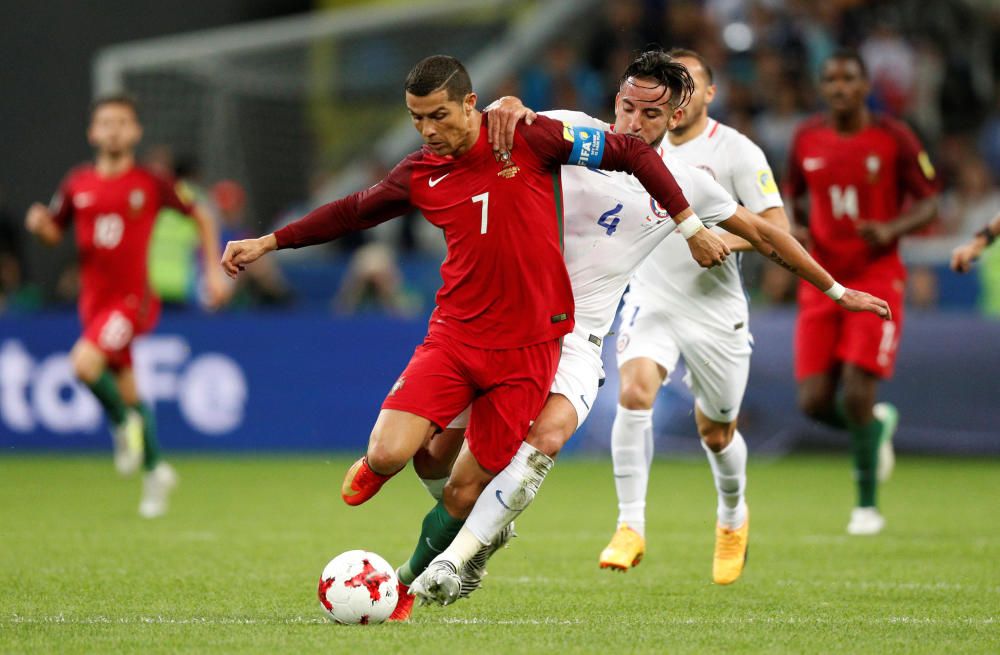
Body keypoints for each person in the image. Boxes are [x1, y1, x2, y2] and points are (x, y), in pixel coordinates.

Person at [220, 54, 730, 621]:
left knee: (466, 492)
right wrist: (270, 241)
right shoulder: (422, 171)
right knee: (398, 454)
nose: (428, 131)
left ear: (470, 105)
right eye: (417, 120)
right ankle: (405, 481)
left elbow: (632, 152)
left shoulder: (529, 138)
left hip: (533, 348)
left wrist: (690, 227)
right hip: (457, 335)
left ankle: (409, 585)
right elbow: (354, 211)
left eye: (438, 116)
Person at [405, 49, 891, 609]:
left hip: (581, 341)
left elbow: (764, 234)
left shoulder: (687, 184)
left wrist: (835, 290)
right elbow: (490, 121)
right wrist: (507, 105)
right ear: (616, 100)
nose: (633, 123)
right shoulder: (575, 134)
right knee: (434, 457)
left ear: (677, 115)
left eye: (650, 115)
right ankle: (487, 529)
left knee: (555, 439)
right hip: (505, 327)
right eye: (627, 107)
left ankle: (457, 559)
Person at [597, 47, 791, 584]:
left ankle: (732, 516)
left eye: (693, 83)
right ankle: (629, 525)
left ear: (699, 96)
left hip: (713, 305)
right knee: (634, 393)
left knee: (716, 430)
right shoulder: (625, 141)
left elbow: (776, 226)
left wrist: (706, 235)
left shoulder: (734, 151)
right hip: (650, 295)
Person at [24, 94, 227, 517]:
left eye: (122, 122)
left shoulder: (150, 182)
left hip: (131, 301)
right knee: (131, 389)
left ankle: (121, 425)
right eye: (106, 122)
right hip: (93, 304)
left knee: (83, 364)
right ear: (92, 132)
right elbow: (52, 233)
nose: (114, 129)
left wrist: (211, 272)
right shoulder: (77, 183)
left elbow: (202, 215)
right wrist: (41, 225)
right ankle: (155, 474)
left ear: (135, 132)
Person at [785, 49, 939, 535]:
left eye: (848, 79)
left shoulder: (894, 136)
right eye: (830, 80)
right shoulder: (806, 136)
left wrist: (892, 227)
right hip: (821, 278)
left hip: (876, 276)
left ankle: (866, 507)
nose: (839, 87)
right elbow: (792, 193)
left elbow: (930, 201)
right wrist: (798, 226)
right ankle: (875, 429)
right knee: (812, 403)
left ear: (865, 84)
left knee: (855, 391)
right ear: (822, 87)